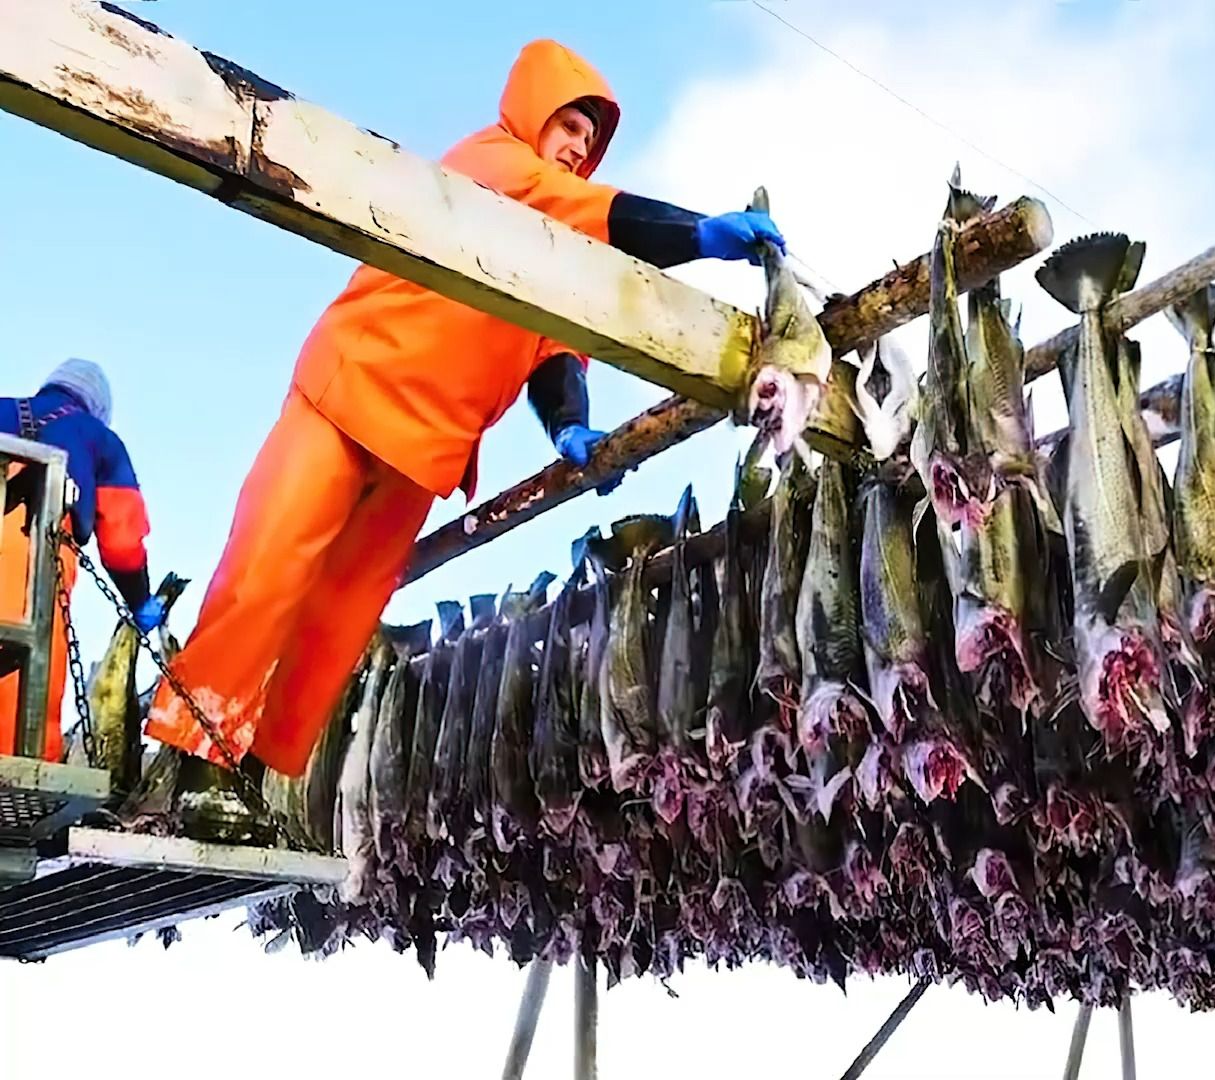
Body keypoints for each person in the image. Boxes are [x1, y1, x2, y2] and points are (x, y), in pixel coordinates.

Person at [143, 39, 784, 807]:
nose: (580, 146)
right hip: (349, 393)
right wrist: (698, 234)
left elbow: (557, 349)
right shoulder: (493, 160)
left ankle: (248, 778)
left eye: (592, 136)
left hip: (427, 450)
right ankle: (192, 757)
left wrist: (570, 429)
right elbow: (585, 211)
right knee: (265, 570)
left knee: (336, 623)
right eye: (569, 124)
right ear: (531, 112)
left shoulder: (563, 241)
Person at [1, 360, 165, 761]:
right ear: (97, 408)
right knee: (22, 709)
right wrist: (140, 601)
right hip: (32, 572)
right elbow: (124, 541)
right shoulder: (98, 440)